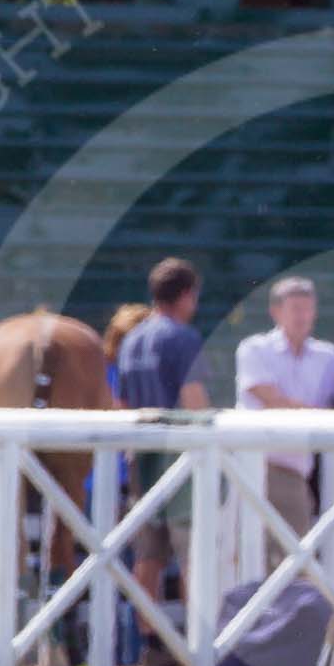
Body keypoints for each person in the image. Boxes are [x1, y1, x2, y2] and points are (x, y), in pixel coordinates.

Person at [234, 276, 334, 545]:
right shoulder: (254, 349)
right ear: (276, 312)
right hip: (256, 467)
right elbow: (270, 398)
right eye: (296, 308)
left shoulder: (328, 355)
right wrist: (333, 416)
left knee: (285, 557)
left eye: (308, 309)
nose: (303, 316)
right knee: (269, 556)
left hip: (296, 472)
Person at [116, 259, 209, 609]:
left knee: (148, 555)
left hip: (142, 455)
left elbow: (121, 403)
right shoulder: (183, 338)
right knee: (191, 554)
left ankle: (152, 642)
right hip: (181, 458)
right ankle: (193, 644)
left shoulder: (131, 341)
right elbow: (193, 399)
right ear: (187, 295)